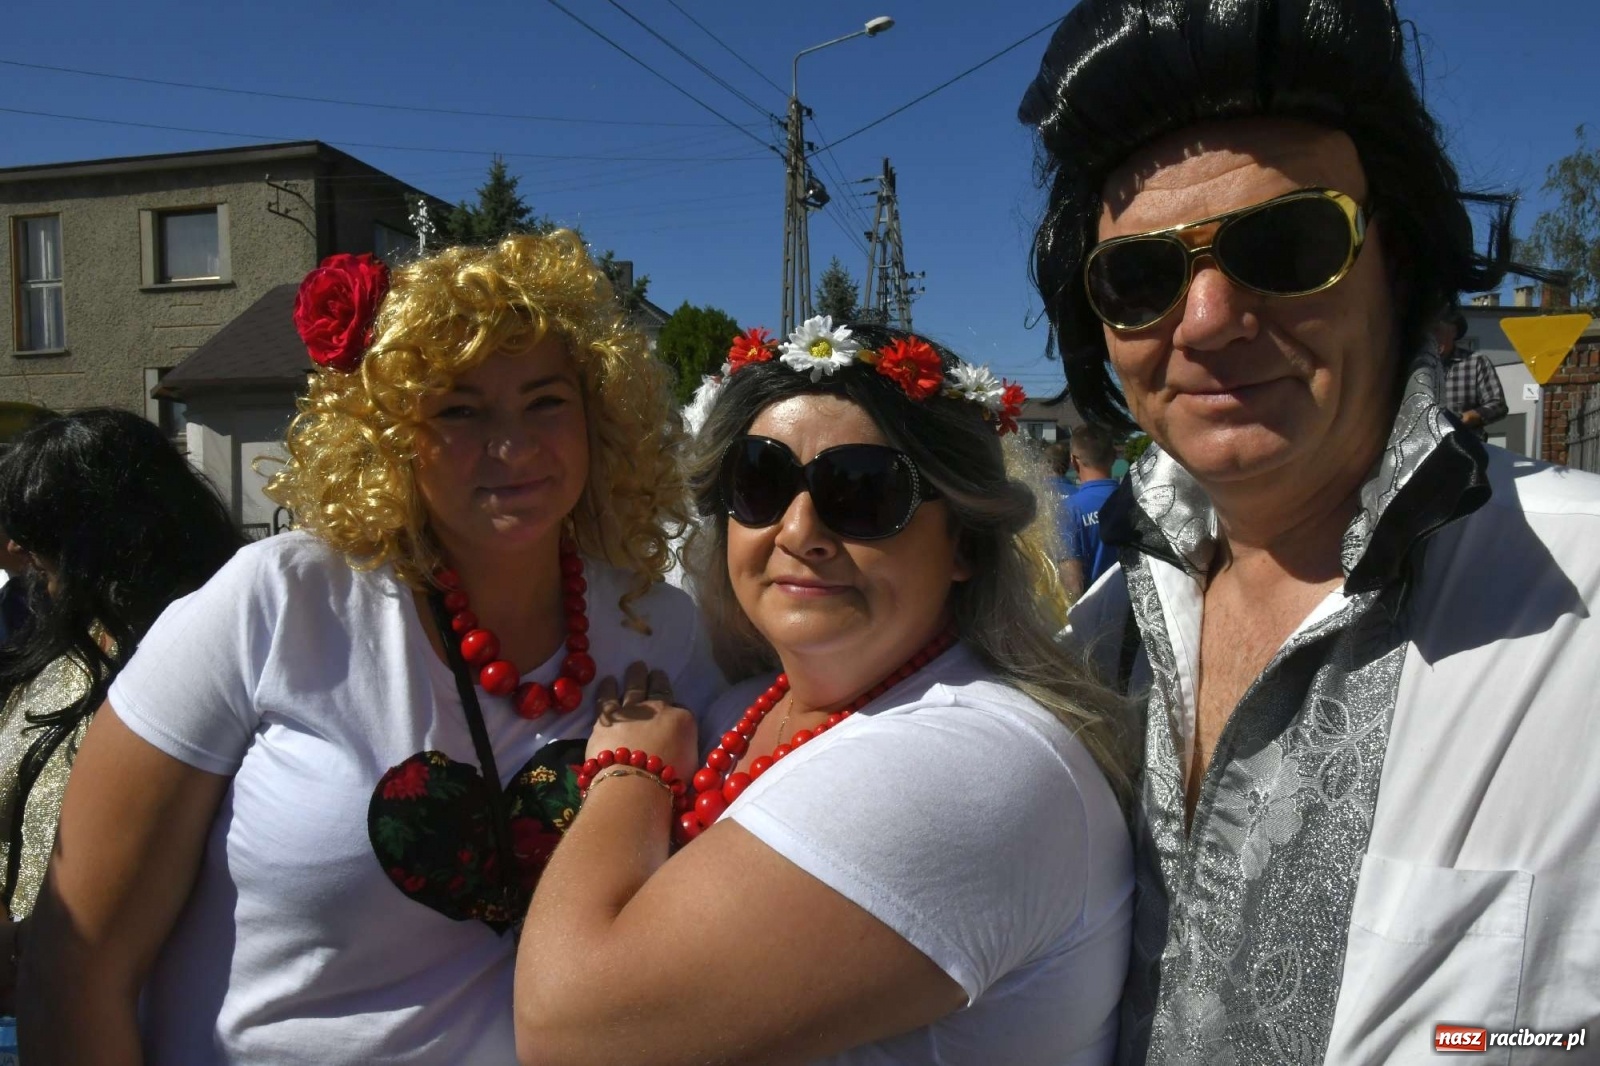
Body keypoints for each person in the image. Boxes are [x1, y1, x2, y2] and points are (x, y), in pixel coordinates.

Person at [1020, 1, 1600, 1063]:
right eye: (1140, 277)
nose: (1202, 320)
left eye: (1285, 244)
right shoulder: (1097, 645)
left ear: (1396, 259)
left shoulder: (1581, 600)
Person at [22, 233, 725, 1063]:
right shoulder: (275, 603)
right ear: (391, 431)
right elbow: (78, 960)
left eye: (546, 402)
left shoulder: (666, 632)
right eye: (460, 409)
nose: (514, 446)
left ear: (599, 415)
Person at [513, 318, 1135, 1065]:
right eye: (762, 482)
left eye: (863, 492)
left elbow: (567, 1030)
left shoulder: (970, 764)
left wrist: (629, 776)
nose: (799, 528)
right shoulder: (734, 705)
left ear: (964, 542)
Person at [0, 410, 241, 1006]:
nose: (21, 553)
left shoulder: (197, 663)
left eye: (41, 536)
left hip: (118, 1005)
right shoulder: (64, 651)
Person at [1059, 423, 1120, 598]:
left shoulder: (1070, 509)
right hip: (1139, 616)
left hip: (1096, 617)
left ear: (1073, 461)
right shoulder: (1136, 501)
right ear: (1114, 456)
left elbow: (1073, 584)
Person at [1434, 308, 1508, 439]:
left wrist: (1468, 417)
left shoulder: (1476, 362)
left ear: (1454, 332)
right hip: (1424, 450)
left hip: (1465, 446)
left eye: (1438, 331)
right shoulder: (1417, 364)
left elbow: (1498, 405)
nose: (1434, 338)